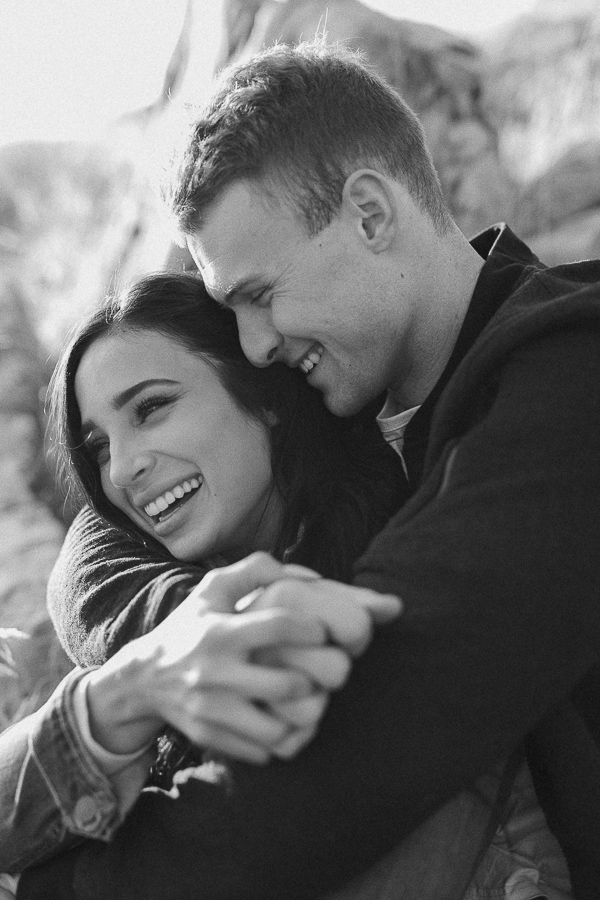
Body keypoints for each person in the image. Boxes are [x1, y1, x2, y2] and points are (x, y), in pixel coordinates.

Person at [12, 38, 599, 897]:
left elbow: (373, 741)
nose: (254, 346)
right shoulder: (343, 396)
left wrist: (57, 887)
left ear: (370, 214)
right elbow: (96, 536)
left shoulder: (569, 380)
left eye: (258, 295)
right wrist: (188, 622)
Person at [1, 276, 569, 900]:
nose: (124, 468)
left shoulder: (412, 560)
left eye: (152, 408)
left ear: (264, 396)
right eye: (98, 448)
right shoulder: (120, 582)